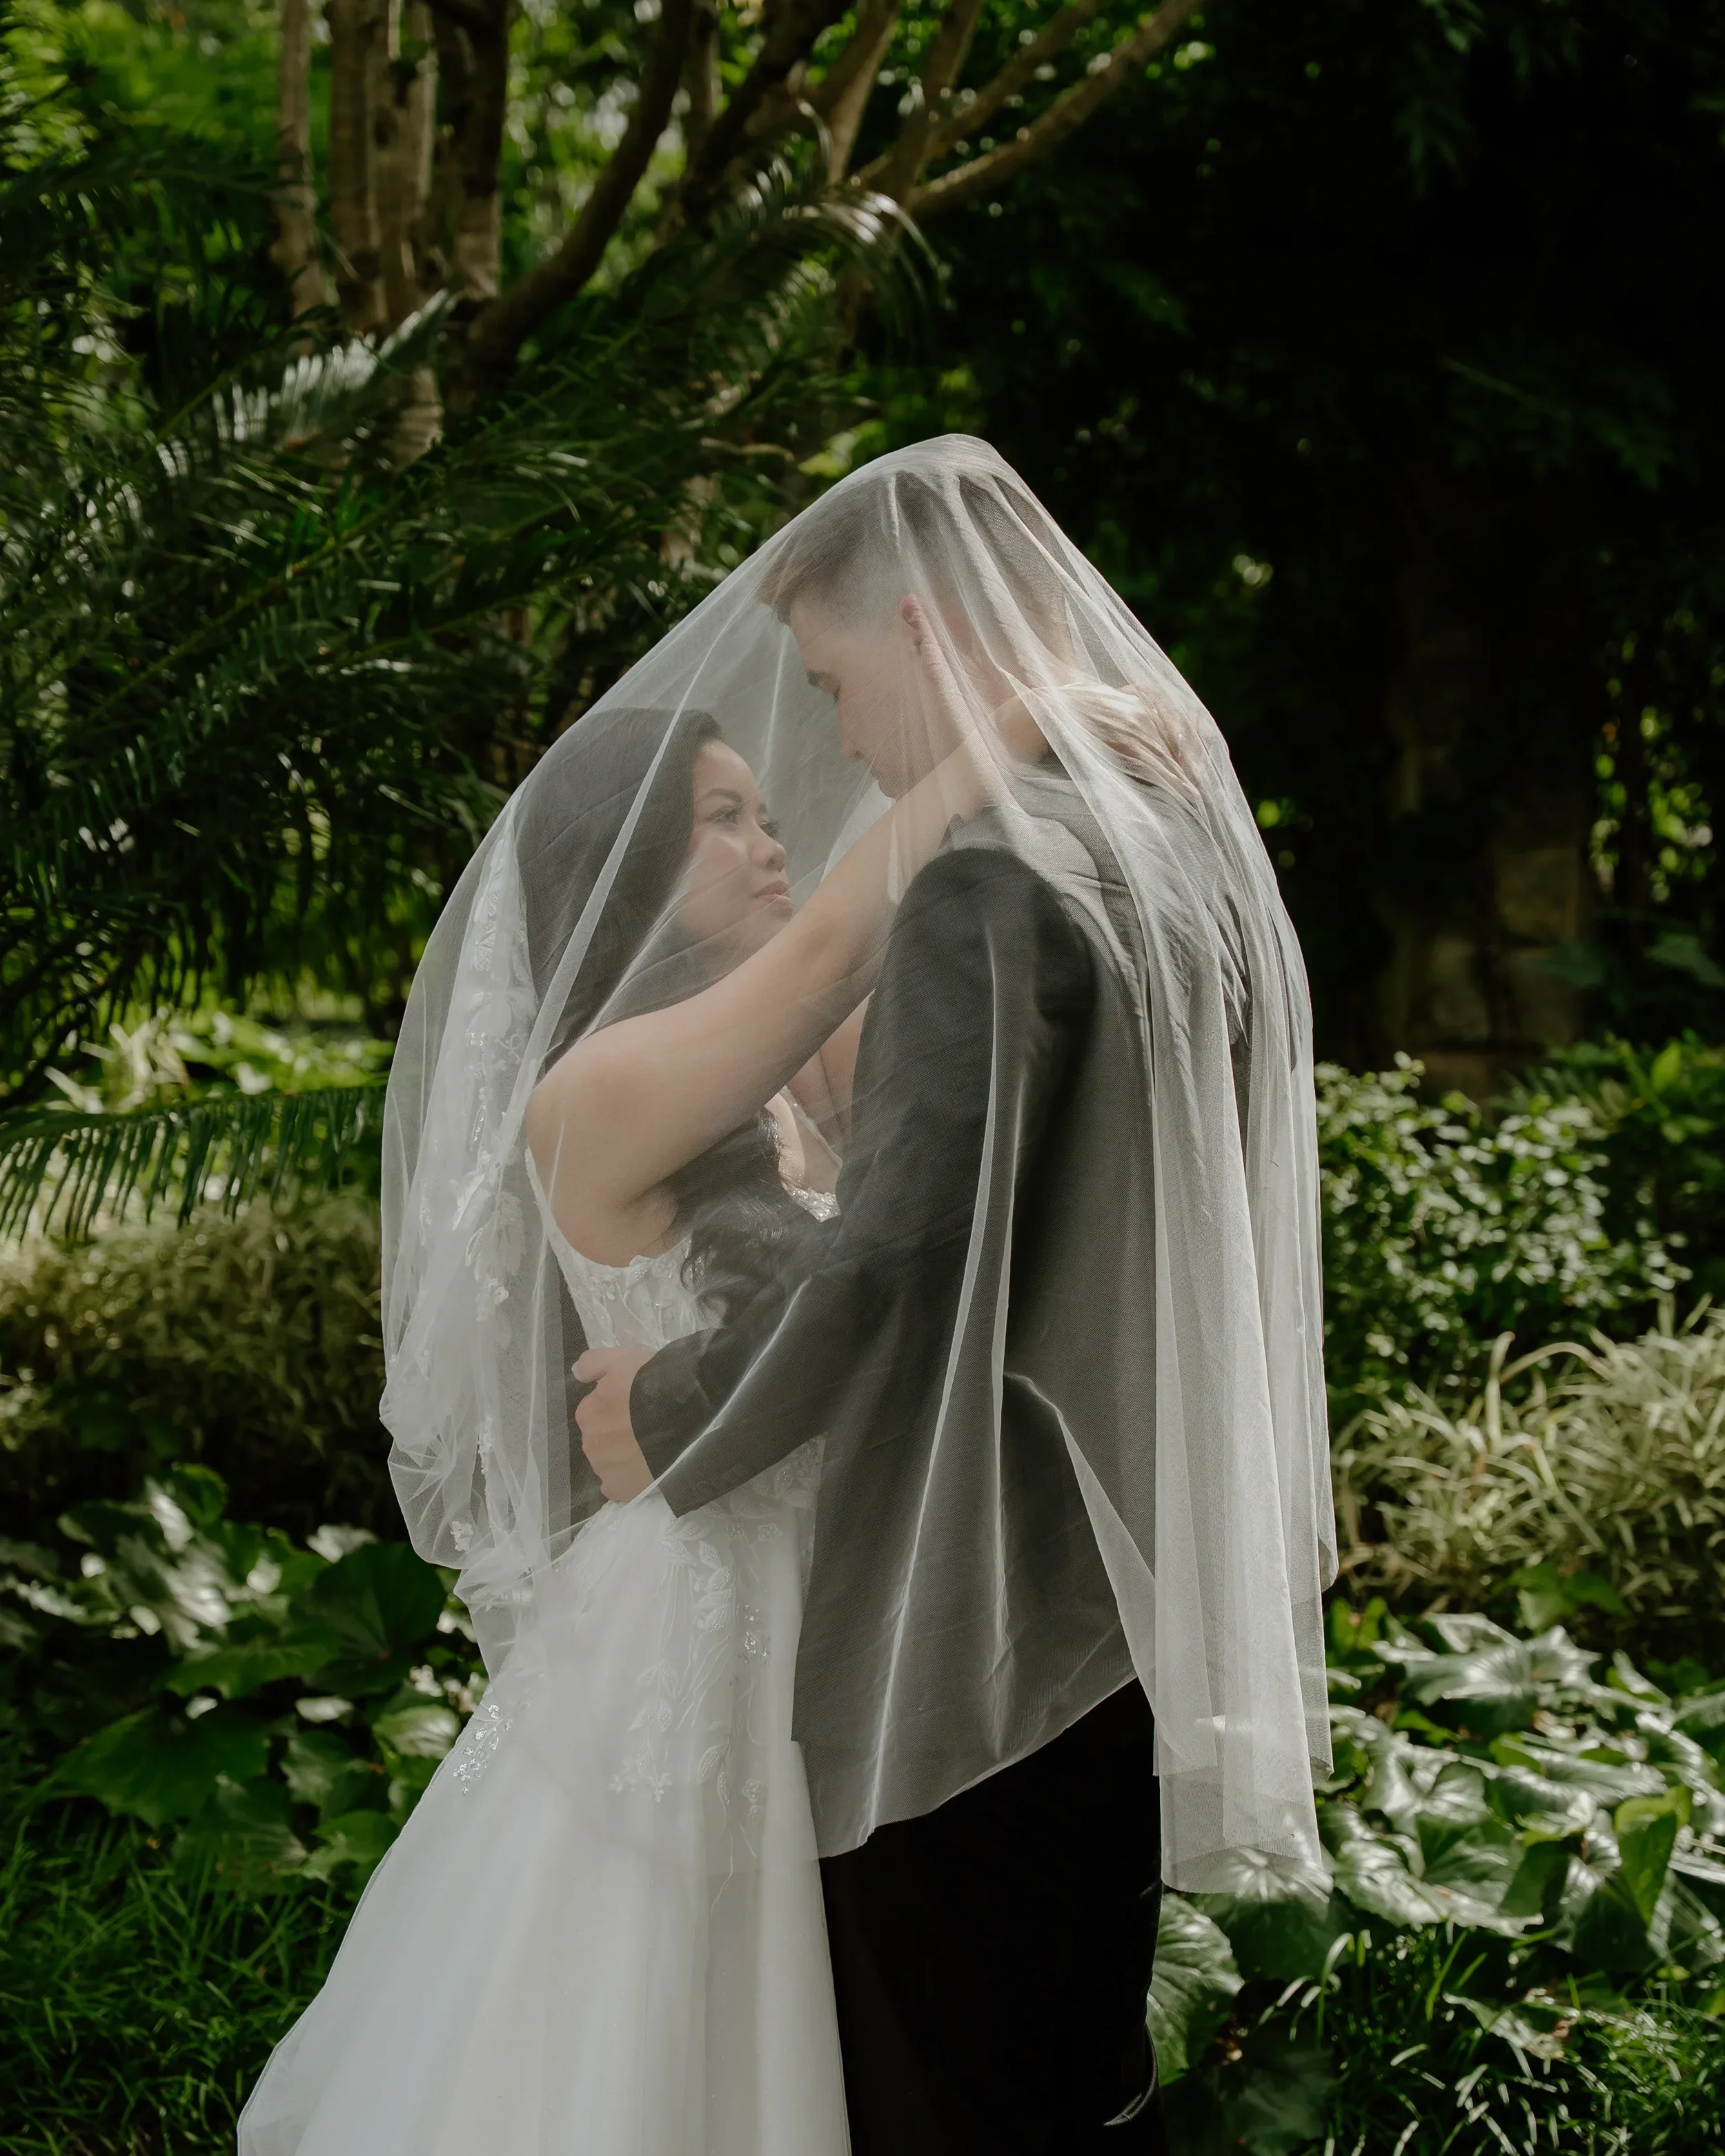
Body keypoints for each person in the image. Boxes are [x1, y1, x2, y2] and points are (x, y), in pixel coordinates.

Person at [569, 439, 1337, 2154]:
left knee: (944, 2090)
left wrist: (668, 1408)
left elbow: (894, 1267)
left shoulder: (992, 882)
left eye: (836, 683)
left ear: (921, 625)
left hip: (968, 1621)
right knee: (1066, 2074)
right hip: (1120, 1600)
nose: (838, 738)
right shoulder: (1176, 853)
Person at [239, 700, 1009, 2156]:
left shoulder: (786, 1068)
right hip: (695, 1601)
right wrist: (1002, 735)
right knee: (648, 1980)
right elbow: (845, 933)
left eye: (757, 809)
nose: (768, 835)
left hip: (822, 1569)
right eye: (718, 819)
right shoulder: (594, 1088)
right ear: (624, 868)